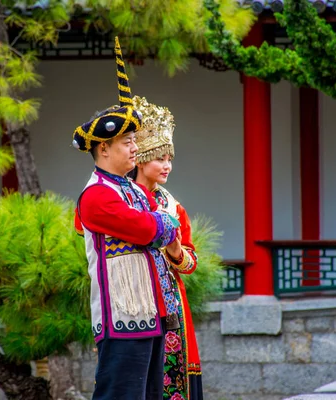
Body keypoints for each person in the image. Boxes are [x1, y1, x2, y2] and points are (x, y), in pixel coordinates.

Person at [72, 37, 183, 400]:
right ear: (103, 148)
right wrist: (165, 226)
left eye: (135, 141)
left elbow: (160, 225)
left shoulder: (131, 190)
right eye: (127, 142)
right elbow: (151, 227)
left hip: (148, 313)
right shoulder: (97, 196)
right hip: (122, 317)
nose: (136, 147)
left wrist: (164, 225)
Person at [129, 95, 203, 400]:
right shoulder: (120, 198)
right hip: (131, 299)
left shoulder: (173, 207)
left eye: (169, 159)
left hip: (172, 303)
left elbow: (192, 262)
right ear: (143, 158)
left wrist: (175, 250)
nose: (167, 166)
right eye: (161, 158)